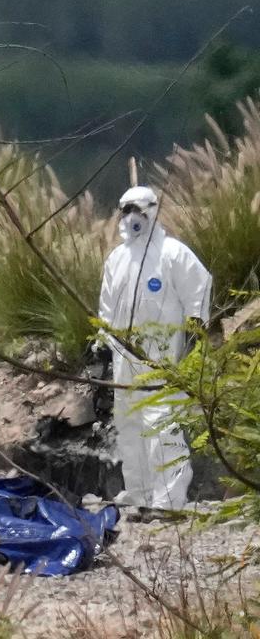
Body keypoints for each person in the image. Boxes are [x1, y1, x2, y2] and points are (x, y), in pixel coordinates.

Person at [98, 185, 212, 510]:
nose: (133, 217)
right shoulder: (117, 259)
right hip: (124, 358)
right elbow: (106, 309)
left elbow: (199, 291)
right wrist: (104, 345)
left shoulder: (173, 253)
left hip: (163, 357)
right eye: (126, 210)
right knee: (128, 423)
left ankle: (168, 501)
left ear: (152, 210)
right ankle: (139, 492)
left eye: (138, 209)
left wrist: (192, 337)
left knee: (162, 424)